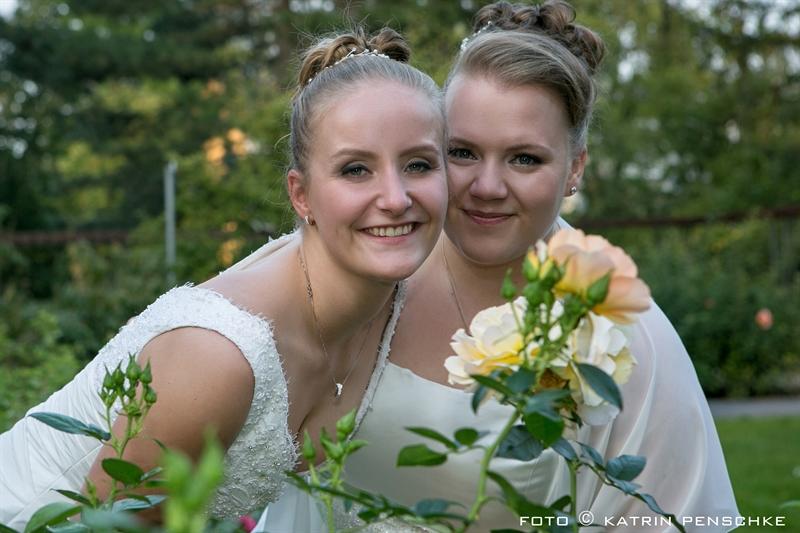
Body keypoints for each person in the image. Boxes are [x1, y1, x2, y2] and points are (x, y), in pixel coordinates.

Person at [260, 2, 740, 532]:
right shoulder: (365, 256)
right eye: (462, 152)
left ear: (575, 166)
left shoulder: (619, 327)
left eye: (524, 159)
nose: (486, 188)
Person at [0, 27, 448, 530]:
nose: (395, 197)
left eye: (418, 164)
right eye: (355, 170)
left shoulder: (396, 298)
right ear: (301, 196)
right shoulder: (218, 356)